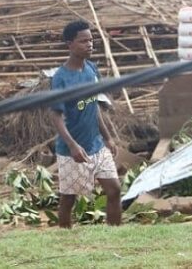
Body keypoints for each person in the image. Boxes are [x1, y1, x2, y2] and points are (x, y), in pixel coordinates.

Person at [50, 20, 121, 228]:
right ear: (70, 45)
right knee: (69, 199)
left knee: (114, 190)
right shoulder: (61, 79)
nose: (89, 44)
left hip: (96, 145)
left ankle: (116, 235)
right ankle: (64, 238)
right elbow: (56, 116)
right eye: (83, 41)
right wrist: (72, 145)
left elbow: (94, 105)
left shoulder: (91, 69)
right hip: (73, 150)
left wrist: (107, 137)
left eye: (91, 40)